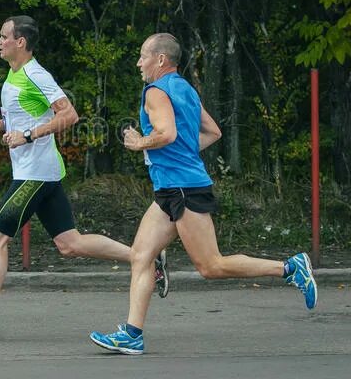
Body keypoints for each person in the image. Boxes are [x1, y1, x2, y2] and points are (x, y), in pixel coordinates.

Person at [89, 33, 318, 355]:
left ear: (160, 60)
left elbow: (165, 133)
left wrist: (140, 142)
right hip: (171, 188)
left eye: (143, 56)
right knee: (141, 256)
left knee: (211, 266)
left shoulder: (155, 92)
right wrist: (182, 154)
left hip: (183, 188)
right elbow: (213, 132)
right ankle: (132, 334)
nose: (138, 63)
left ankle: (290, 268)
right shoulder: (185, 89)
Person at [0, 15, 168, 342]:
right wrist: (1, 126)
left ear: (21, 42)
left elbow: (69, 115)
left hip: (35, 174)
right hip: (38, 172)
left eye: (4, 36)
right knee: (69, 244)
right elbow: (26, 117)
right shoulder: (15, 73)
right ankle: (146, 258)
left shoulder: (36, 73)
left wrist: (29, 135)